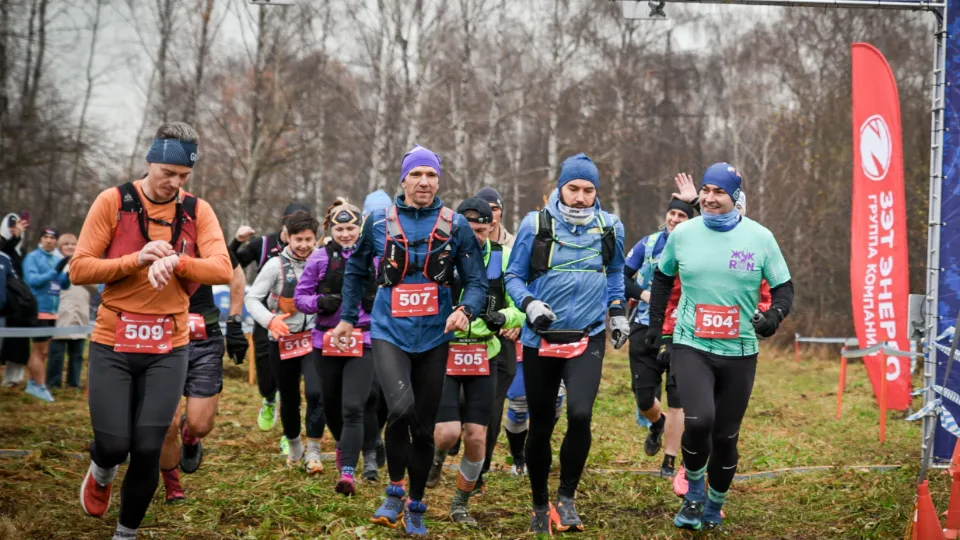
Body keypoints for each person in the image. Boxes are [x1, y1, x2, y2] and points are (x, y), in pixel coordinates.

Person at [71, 122, 233, 540]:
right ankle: (102, 471)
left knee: (147, 449)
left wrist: (178, 262)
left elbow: (220, 268)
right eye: (168, 174)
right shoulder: (114, 201)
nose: (174, 184)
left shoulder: (197, 211)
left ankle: (126, 534)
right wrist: (136, 259)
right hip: (114, 342)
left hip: (169, 346)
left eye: (184, 177)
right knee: (113, 445)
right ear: (150, 161)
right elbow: (80, 268)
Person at [331, 145, 488, 536]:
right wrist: (349, 318)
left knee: (424, 424)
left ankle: (416, 502)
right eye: (416, 174)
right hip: (389, 332)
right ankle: (394, 490)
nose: (424, 182)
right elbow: (354, 271)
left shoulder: (457, 225)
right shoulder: (379, 223)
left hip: (436, 335)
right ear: (403, 179)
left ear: (439, 180)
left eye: (431, 175)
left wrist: (465, 310)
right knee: (400, 409)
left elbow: (478, 282)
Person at [645, 163, 793, 531]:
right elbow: (662, 279)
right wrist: (656, 326)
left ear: (734, 197)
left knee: (726, 435)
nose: (709, 198)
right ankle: (695, 493)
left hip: (740, 351)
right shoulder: (684, 234)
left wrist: (773, 317)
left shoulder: (760, 238)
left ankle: (715, 504)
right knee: (699, 420)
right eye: (706, 190)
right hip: (691, 343)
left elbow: (784, 289)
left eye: (719, 192)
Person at [505, 153, 628, 534]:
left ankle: (567, 498)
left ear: (596, 193)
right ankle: (540, 504)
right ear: (560, 188)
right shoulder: (535, 224)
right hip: (541, 337)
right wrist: (530, 304)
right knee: (541, 424)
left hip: (587, 335)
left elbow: (615, 273)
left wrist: (618, 310)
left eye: (588, 190)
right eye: (573, 188)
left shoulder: (611, 228)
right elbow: (513, 276)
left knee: (580, 415)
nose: (579, 196)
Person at [427, 197, 524, 525]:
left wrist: (504, 317)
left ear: (492, 226)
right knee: (447, 433)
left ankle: (460, 503)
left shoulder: (503, 257)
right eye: (470, 229)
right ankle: (438, 457)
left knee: (477, 436)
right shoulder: (440, 257)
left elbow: (520, 302)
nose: (477, 235)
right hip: (447, 353)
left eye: (483, 229)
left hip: (486, 353)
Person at [294, 198, 380, 495]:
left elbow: (393, 292)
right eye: (340, 228)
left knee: (354, 406)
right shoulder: (319, 257)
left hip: (363, 340)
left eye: (352, 227)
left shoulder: (376, 257)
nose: (346, 234)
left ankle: (348, 473)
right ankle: (347, 451)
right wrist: (320, 302)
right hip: (326, 341)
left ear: (361, 228)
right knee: (330, 408)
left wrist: (375, 301)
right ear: (332, 229)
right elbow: (300, 298)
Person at [160, 246, 245, 504]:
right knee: (167, 424)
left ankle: (190, 435)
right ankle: (172, 483)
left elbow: (237, 274)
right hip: (162, 336)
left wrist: (235, 321)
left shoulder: (205, 232)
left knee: (200, 425)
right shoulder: (149, 234)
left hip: (205, 337)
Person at [624, 184, 696, 476]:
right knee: (643, 398)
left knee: (678, 398)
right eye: (673, 213)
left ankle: (669, 460)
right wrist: (644, 295)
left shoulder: (698, 245)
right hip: (645, 326)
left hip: (683, 330)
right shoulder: (649, 243)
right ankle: (657, 422)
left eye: (682, 215)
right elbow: (622, 276)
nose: (676, 219)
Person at [244, 211, 323, 472]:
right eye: (298, 239)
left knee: (315, 392)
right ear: (287, 236)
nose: (303, 245)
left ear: (316, 238)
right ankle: (294, 444)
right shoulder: (274, 265)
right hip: (282, 340)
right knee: (288, 397)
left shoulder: (322, 261)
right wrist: (270, 320)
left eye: (309, 239)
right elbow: (252, 298)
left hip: (313, 339)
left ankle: (314, 452)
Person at [231, 202, 312, 433]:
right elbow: (232, 263)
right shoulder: (264, 244)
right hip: (267, 317)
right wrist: (237, 241)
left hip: (300, 321)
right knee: (266, 378)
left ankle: (290, 430)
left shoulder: (312, 251)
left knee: (292, 378)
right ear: (284, 224)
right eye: (290, 223)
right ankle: (268, 400)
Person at [22, 227, 69, 402]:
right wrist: (54, 272)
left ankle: (33, 383)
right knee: (39, 350)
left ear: (56, 241)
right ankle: (39, 386)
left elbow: (62, 285)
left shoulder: (57, 258)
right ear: (41, 239)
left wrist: (69, 274)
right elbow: (32, 281)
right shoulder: (33, 257)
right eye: (45, 237)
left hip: (53, 311)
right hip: (37, 309)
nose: (49, 240)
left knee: (44, 351)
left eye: (52, 238)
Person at [47, 234, 92, 389]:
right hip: (60, 311)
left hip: (81, 312)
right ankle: (53, 382)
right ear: (60, 246)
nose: (70, 247)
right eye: (66, 244)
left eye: (73, 244)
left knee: (77, 353)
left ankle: (74, 382)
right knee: (57, 352)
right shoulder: (54, 263)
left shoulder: (85, 263)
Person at [1, 214, 30, 387]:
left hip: (22, 302)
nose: (14, 230)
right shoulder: (4, 248)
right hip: (7, 302)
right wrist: (14, 237)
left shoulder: (23, 252)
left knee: (20, 343)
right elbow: (5, 251)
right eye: (11, 227)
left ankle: (15, 378)